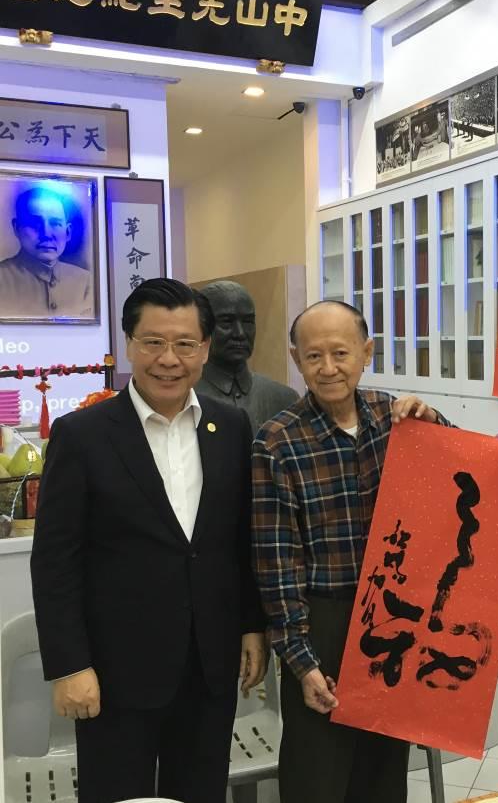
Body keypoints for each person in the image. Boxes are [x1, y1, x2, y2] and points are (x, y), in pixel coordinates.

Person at [31, 278, 267, 803]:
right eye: (153, 342)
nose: (169, 359)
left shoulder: (230, 427)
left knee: (200, 792)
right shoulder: (82, 435)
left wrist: (252, 625)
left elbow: (237, 539)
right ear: (129, 344)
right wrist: (69, 665)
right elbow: (54, 562)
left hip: (209, 665)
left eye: (185, 343)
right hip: (115, 672)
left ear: (204, 349)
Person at [251, 299, 451, 803]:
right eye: (313, 356)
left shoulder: (395, 417)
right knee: (317, 777)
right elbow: (278, 564)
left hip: (393, 617)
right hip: (324, 621)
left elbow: (459, 473)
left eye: (340, 353)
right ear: (296, 361)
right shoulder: (277, 442)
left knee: (383, 772)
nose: (328, 368)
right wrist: (301, 660)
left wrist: (435, 420)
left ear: (367, 352)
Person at [195, 279, 299, 435]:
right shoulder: (185, 397)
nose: (240, 333)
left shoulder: (284, 398)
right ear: (201, 327)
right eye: (226, 322)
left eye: (248, 322)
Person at [0, 185, 92, 319]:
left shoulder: (86, 281)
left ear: (67, 232)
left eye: (55, 223)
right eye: (34, 223)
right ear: (17, 228)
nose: (46, 234)